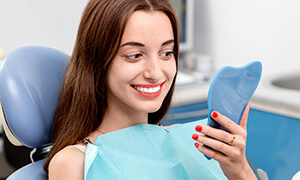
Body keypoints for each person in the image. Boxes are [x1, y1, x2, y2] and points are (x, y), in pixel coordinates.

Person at [44, 0, 257, 179]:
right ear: (97, 61)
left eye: (166, 53)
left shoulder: (191, 141)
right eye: (134, 55)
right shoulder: (74, 163)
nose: (155, 73)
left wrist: (240, 170)